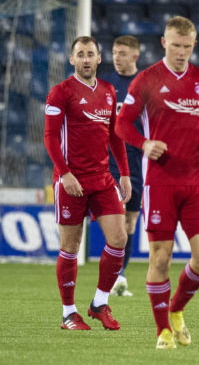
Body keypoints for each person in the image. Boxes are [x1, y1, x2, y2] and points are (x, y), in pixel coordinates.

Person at [115, 16, 199, 349]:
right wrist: (144, 144)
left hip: (196, 182)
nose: (181, 52)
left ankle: (177, 309)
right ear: (164, 43)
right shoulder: (145, 80)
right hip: (160, 182)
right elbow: (122, 125)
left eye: (187, 46)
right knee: (160, 259)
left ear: (193, 45)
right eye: (175, 45)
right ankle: (162, 331)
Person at [44, 36, 132, 331]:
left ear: (98, 58)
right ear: (72, 59)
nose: (85, 59)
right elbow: (50, 137)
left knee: (118, 238)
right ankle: (69, 313)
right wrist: (64, 173)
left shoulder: (108, 91)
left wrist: (124, 173)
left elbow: (115, 136)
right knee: (71, 245)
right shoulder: (60, 92)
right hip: (71, 181)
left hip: (103, 179)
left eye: (90, 54)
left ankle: (99, 303)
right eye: (79, 54)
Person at [100, 35, 142, 297]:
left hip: (137, 164)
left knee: (130, 224)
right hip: (109, 163)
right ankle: (112, 279)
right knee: (116, 220)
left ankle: (120, 275)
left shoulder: (144, 85)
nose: (117, 57)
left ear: (135, 56)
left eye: (122, 53)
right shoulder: (105, 85)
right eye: (115, 52)